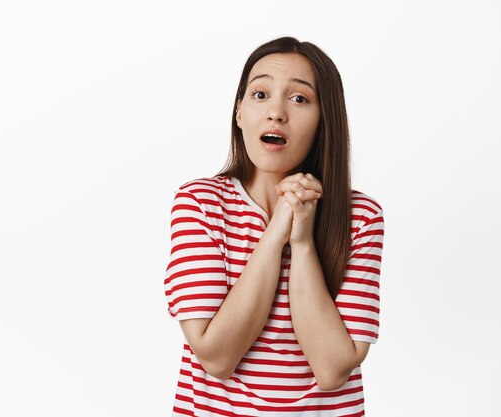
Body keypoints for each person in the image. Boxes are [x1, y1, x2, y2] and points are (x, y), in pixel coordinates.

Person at [163, 36, 385, 416]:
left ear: (325, 118)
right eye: (260, 94)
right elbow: (216, 356)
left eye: (299, 98)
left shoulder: (360, 216)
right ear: (239, 113)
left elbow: (332, 370)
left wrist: (302, 244)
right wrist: (275, 232)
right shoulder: (199, 203)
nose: (276, 113)